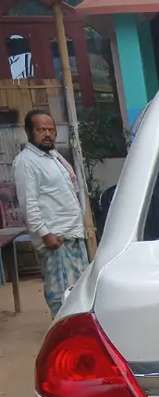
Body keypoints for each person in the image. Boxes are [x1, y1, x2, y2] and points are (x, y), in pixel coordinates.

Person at [13, 109, 88, 317]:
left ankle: (75, 328)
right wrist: (45, 234)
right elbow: (29, 204)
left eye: (51, 130)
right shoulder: (26, 161)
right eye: (41, 129)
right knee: (60, 291)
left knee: (78, 289)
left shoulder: (54, 157)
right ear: (29, 132)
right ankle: (63, 330)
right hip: (55, 238)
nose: (47, 134)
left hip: (72, 233)